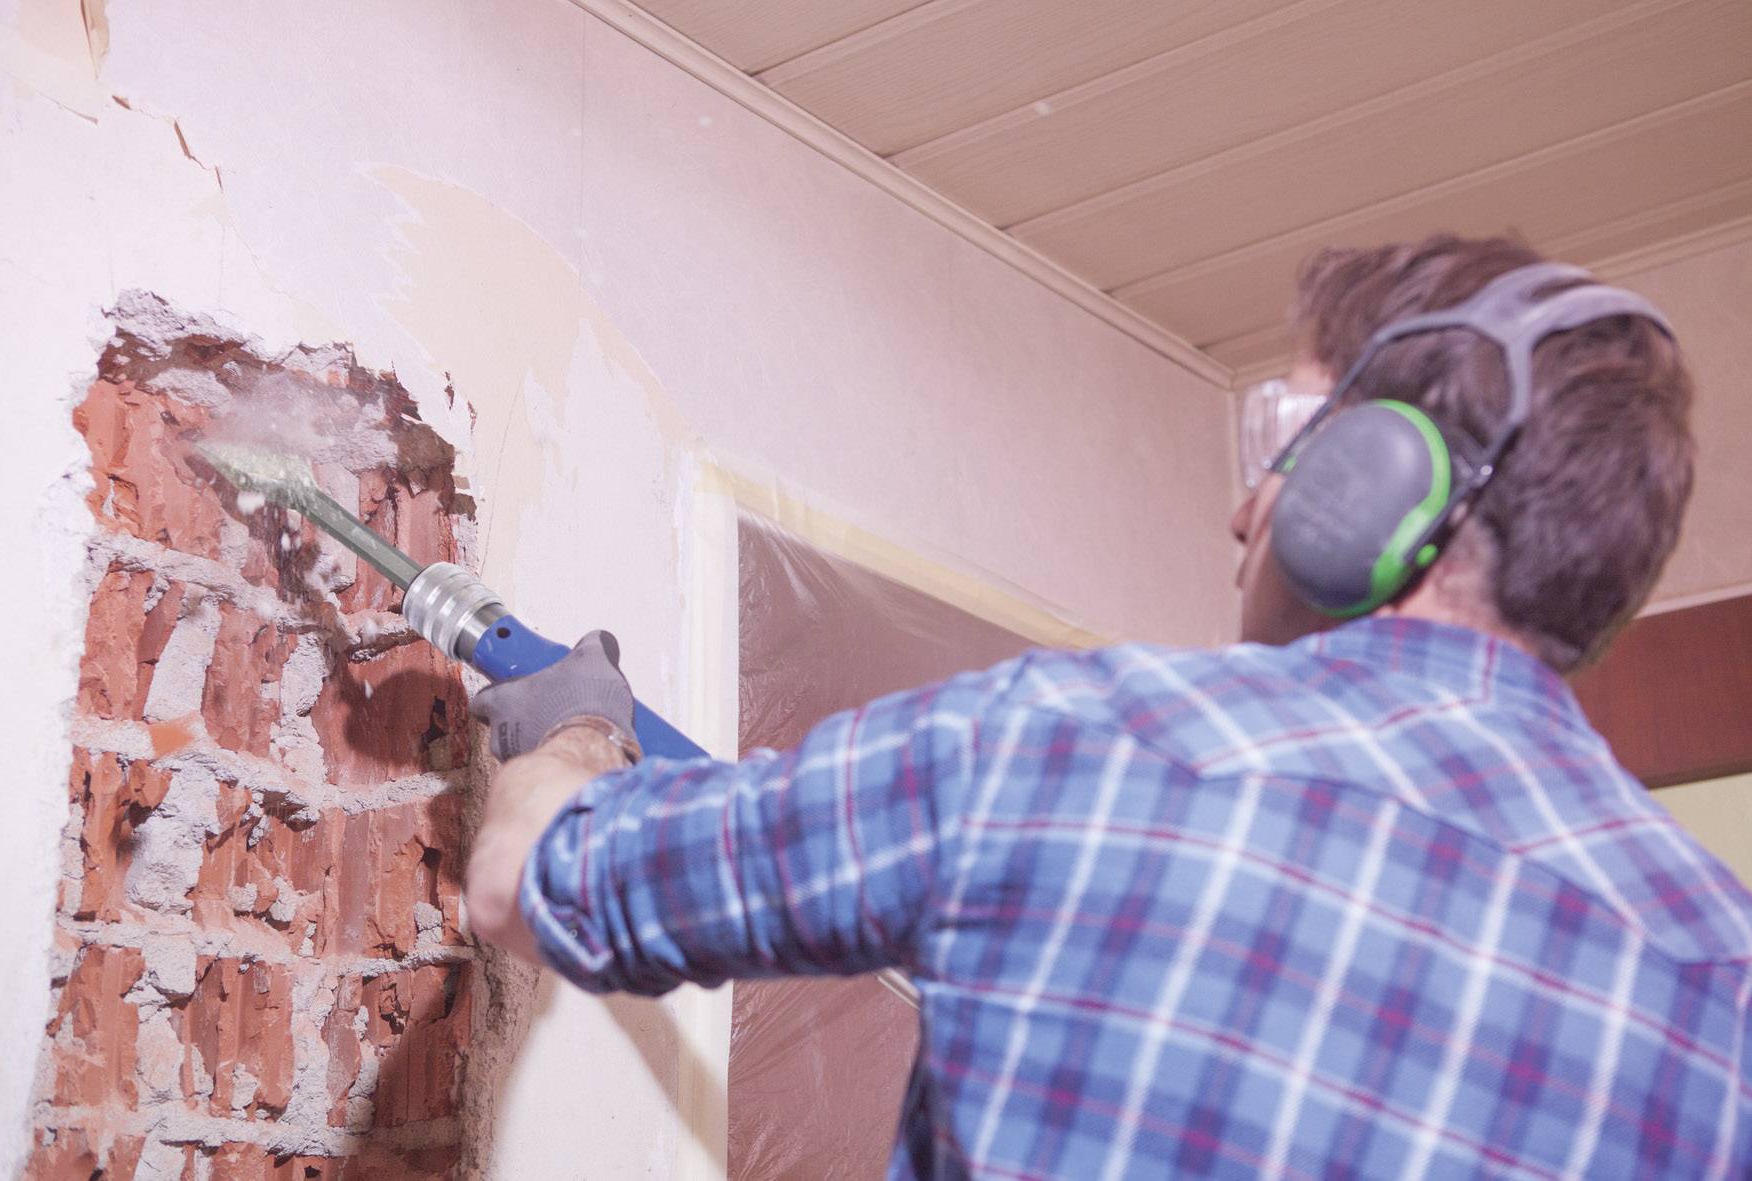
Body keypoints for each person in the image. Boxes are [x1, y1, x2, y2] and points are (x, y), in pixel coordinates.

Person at [464, 235, 1752, 1178]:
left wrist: (575, 732)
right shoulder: (1720, 973)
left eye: (1289, 445)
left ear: (1375, 483)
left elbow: (527, 885)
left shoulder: (1085, 748)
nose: (1249, 509)